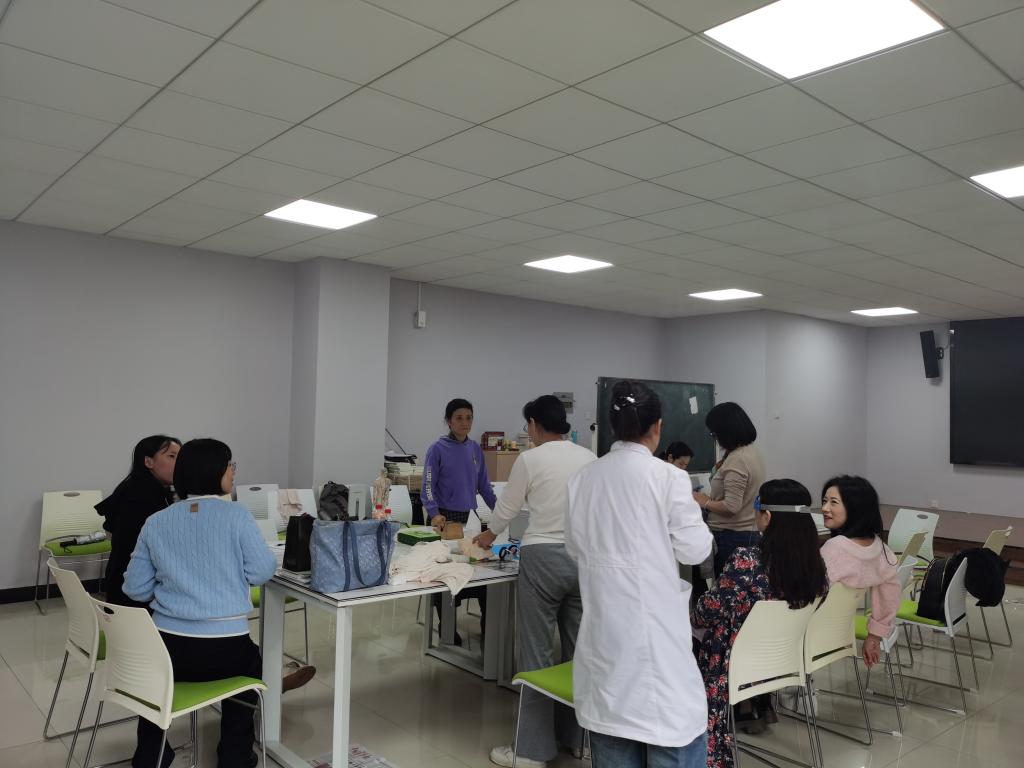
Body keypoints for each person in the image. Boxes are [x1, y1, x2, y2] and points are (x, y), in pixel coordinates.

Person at [123, 439, 312, 768]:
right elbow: (262, 571)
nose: (233, 472)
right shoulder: (236, 516)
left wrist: (175, 586)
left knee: (156, 675)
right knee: (251, 667)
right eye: (229, 465)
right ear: (213, 471)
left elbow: (135, 589)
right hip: (227, 648)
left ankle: (151, 756)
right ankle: (234, 757)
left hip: (168, 650)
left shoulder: (156, 521)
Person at [566, 380, 713, 768]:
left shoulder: (582, 479)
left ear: (613, 426)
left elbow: (575, 547)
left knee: (612, 732)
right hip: (659, 650)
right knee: (673, 735)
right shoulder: (668, 478)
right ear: (657, 427)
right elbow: (696, 550)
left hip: (605, 650)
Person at [472, 395, 596, 768]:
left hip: (543, 558)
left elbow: (507, 509)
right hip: (584, 559)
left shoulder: (531, 458)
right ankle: (579, 740)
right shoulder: (589, 458)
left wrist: (486, 537)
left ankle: (531, 751)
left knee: (536, 654)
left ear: (535, 425)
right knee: (579, 652)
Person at [693, 480, 828, 768]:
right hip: (783, 663)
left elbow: (705, 613)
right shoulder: (817, 569)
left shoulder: (747, 562)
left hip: (731, 667)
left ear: (766, 516)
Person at [422, 398, 497, 643]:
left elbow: (484, 486)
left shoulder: (475, 449)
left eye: (469, 418)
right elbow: (428, 485)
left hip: (469, 519)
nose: (465, 423)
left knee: (479, 572)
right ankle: (447, 627)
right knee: (446, 574)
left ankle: (488, 627)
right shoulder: (437, 449)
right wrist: (434, 512)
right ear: (448, 421)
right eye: (459, 418)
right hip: (443, 519)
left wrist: (501, 512)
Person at [820, 475, 901, 667]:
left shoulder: (834, 549)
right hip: (840, 633)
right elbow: (890, 595)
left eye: (833, 502)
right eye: (824, 501)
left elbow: (806, 594)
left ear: (855, 508)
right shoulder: (880, 549)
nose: (824, 508)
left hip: (811, 633)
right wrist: (874, 636)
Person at [95, 435, 180, 608]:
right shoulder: (139, 496)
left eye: (181, 457)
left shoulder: (153, 489)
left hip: (130, 583)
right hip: (132, 591)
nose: (179, 463)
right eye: (172, 456)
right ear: (148, 462)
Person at [693, 402, 765, 576]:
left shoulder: (738, 459)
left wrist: (705, 502)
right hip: (745, 533)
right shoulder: (751, 452)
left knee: (727, 588)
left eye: (714, 433)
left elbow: (732, 506)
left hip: (731, 537)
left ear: (725, 432)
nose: (715, 438)